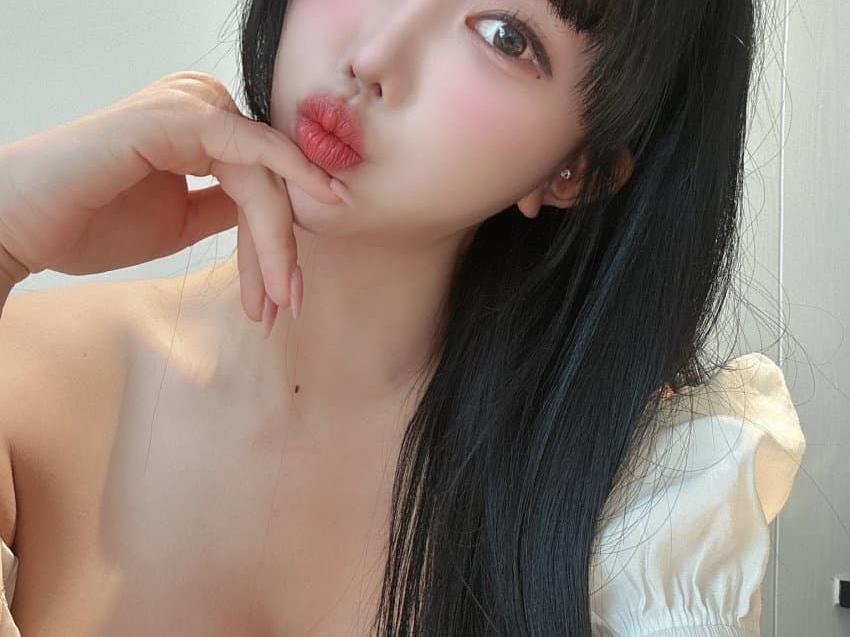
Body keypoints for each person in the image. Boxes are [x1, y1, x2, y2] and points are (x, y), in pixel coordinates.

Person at [0, 0, 807, 635]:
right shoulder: (25, 384)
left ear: (577, 170)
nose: (374, 56)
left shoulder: (638, 506)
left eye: (506, 37)